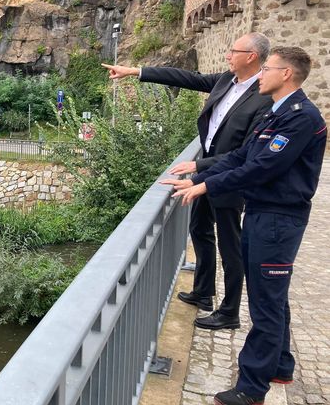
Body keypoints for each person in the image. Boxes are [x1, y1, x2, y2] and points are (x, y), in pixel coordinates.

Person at [162, 46, 326, 405]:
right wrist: (199, 169)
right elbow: (242, 156)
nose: (260, 75)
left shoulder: (299, 117)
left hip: (278, 221)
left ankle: (252, 386)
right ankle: (281, 366)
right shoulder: (275, 112)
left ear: (286, 74)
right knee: (273, 295)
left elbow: (261, 168)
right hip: (262, 213)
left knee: (266, 302)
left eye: (266, 68)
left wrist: (205, 186)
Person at [102, 33, 274, 331]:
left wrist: (200, 165)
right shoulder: (225, 80)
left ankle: (230, 311)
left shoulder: (263, 98)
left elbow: (245, 153)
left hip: (229, 179)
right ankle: (203, 292)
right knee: (200, 230)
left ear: (252, 57)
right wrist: (136, 72)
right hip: (206, 173)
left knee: (231, 247)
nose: (227, 55)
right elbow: (185, 78)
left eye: (233, 51)